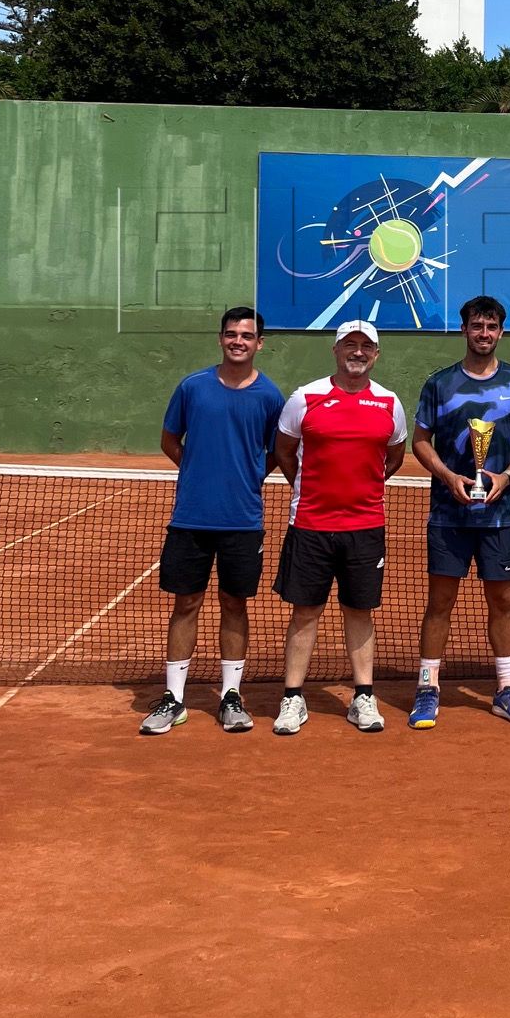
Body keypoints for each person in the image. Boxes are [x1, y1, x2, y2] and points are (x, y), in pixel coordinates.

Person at [140, 306, 285, 736]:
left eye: (247, 335)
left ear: (259, 343)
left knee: (234, 605)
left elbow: (278, 450)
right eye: (231, 334)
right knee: (185, 604)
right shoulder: (193, 388)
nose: (238, 341)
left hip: (242, 520)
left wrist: (250, 475)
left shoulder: (270, 397)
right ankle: (175, 699)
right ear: (220, 339)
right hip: (190, 518)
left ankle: (230, 696)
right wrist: (197, 469)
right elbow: (170, 439)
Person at [407, 295, 510, 729]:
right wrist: (448, 476)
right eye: (476, 325)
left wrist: (505, 476)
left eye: (491, 326)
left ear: (500, 332)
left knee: (502, 600)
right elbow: (421, 441)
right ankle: (428, 689)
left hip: (500, 515)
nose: (483, 333)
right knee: (440, 602)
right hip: (450, 515)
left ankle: (506, 689)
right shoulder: (439, 383)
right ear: (464, 329)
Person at [270, 319, 407, 735]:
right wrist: (312, 491)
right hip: (310, 524)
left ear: (376, 354)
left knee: (359, 611)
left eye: (367, 346)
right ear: (336, 349)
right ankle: (293, 698)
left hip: (365, 527)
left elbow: (395, 456)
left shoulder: (389, 403)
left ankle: (363, 696)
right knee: (305, 612)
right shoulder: (305, 397)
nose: (358, 352)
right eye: (351, 344)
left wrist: (361, 489)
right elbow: (284, 451)